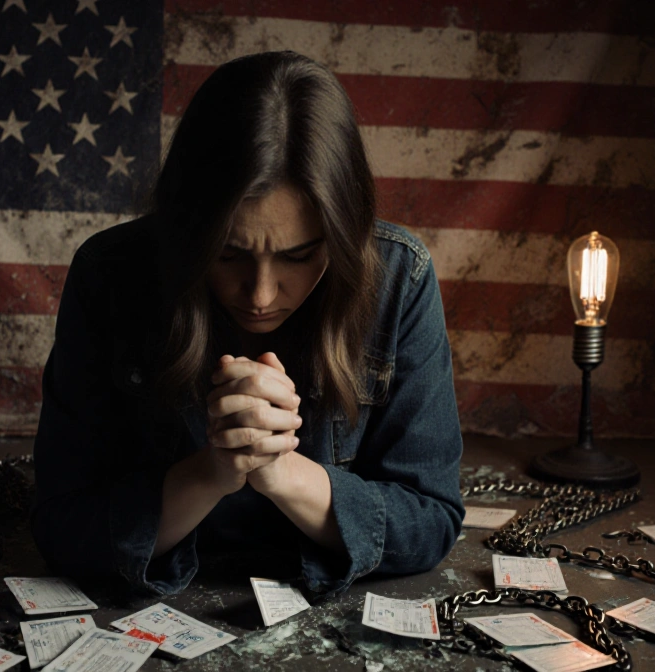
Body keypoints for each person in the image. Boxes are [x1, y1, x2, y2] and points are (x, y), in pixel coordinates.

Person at [32, 51, 464, 598]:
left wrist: (282, 471)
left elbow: (431, 520)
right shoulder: (110, 274)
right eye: (228, 254)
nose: (260, 295)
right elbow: (62, 525)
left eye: (298, 255)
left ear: (344, 234)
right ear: (189, 228)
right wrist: (215, 470)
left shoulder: (401, 275)